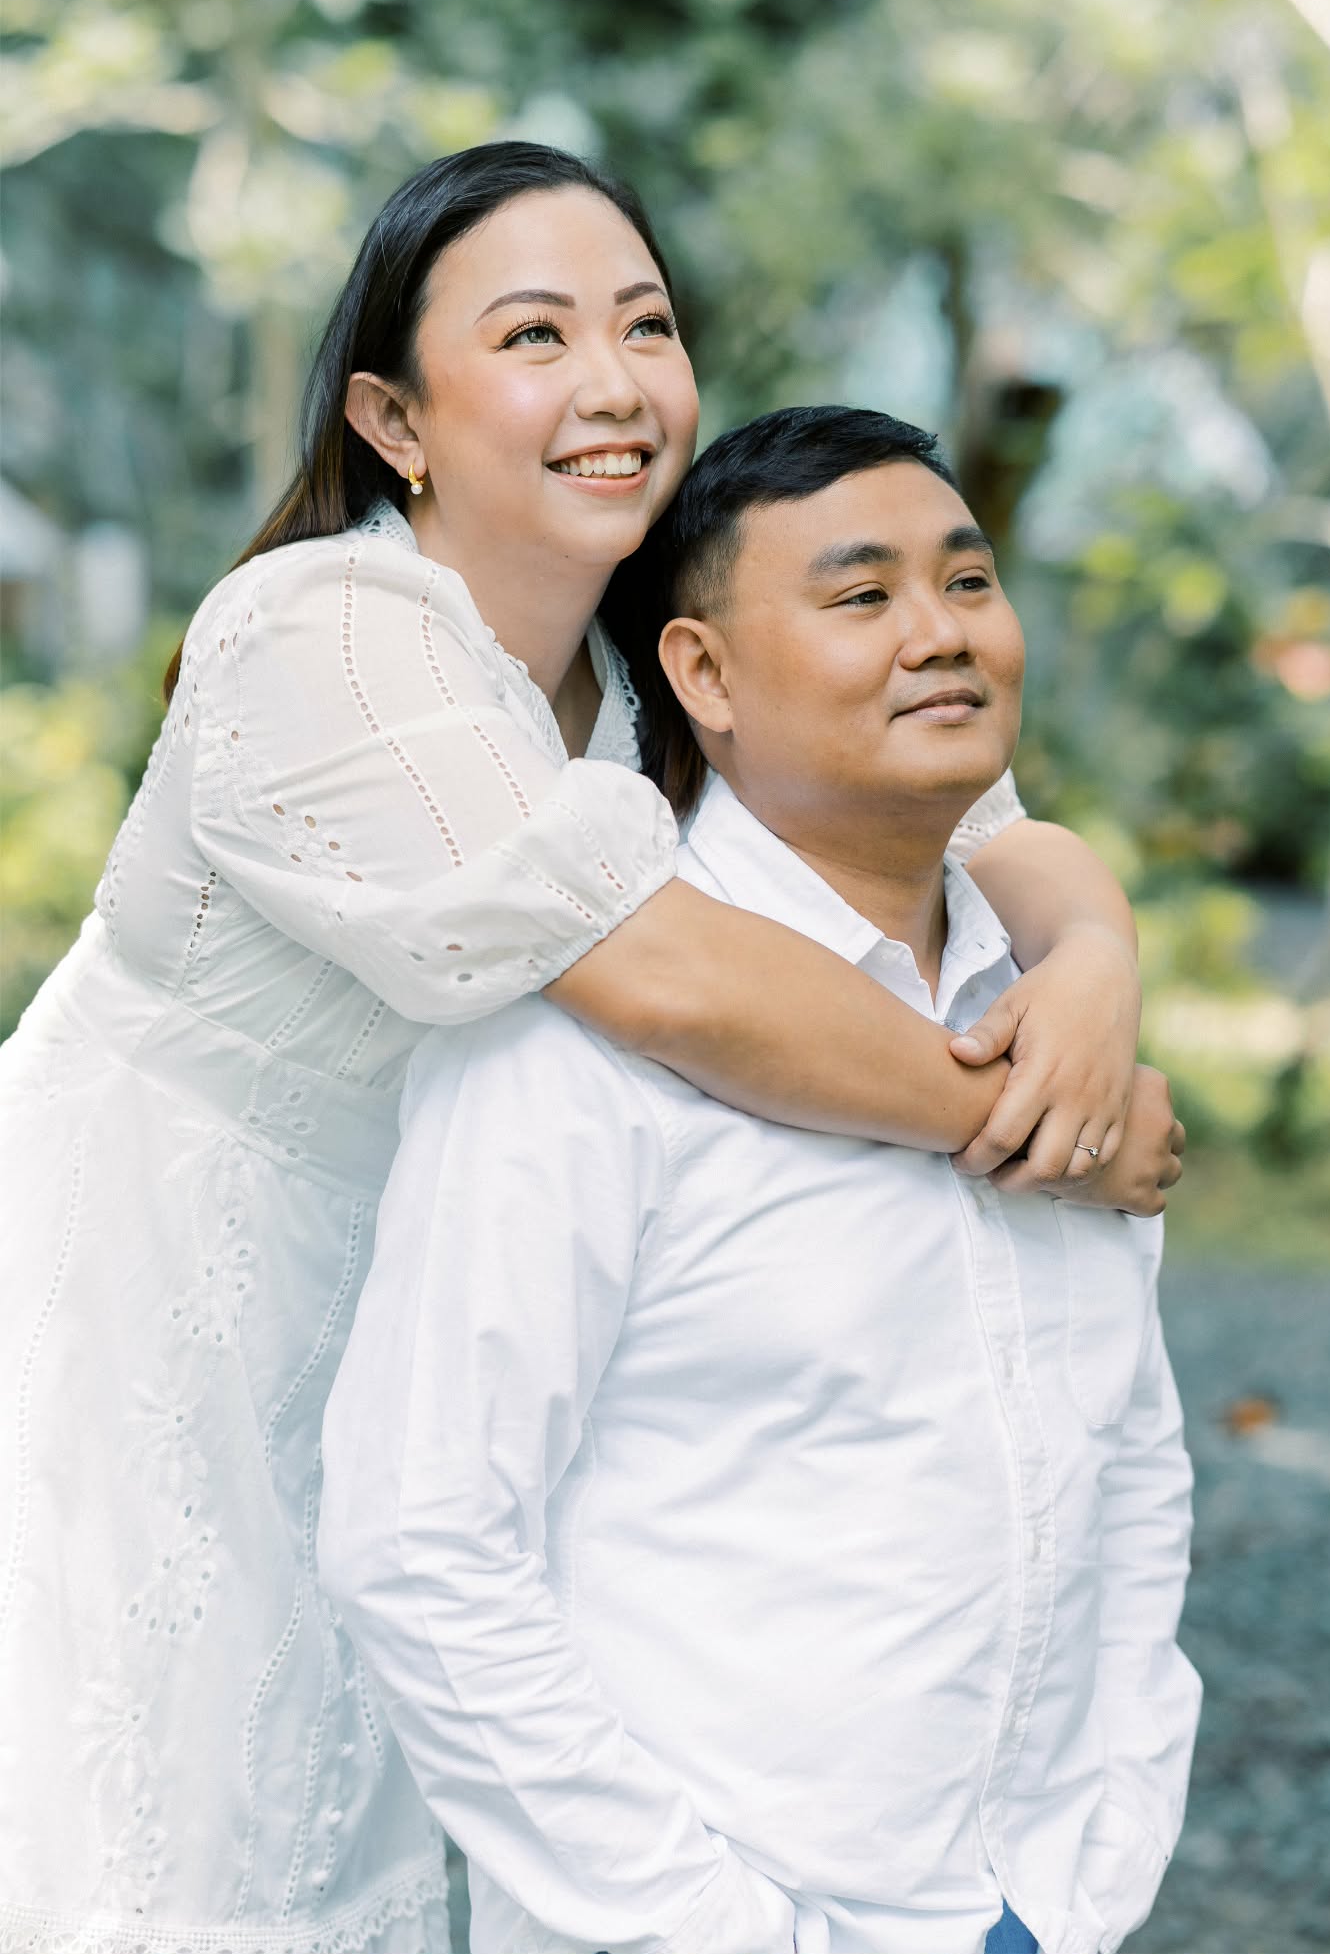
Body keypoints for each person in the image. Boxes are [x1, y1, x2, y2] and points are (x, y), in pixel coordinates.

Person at [0, 145, 1171, 1954]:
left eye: (645, 323)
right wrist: (1051, 1122)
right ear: (395, 415)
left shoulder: (654, 643)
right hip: (149, 1313)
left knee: (486, 1786)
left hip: (443, 1287)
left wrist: (1091, 968)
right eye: (534, 335)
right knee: (179, 1855)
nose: (615, 383)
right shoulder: (316, 634)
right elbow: (671, 983)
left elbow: (1000, 833)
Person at [319, 406, 1198, 1954]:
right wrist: (716, 1926)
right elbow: (420, 1538)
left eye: (967, 583)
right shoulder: (575, 1045)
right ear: (702, 674)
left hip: (1037, 1903)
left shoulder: (1047, 1021)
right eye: (859, 597)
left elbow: (1120, 1454)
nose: (936, 634)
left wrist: (1096, 1855)